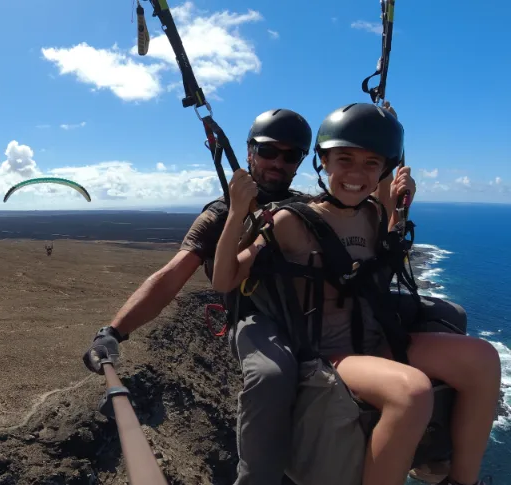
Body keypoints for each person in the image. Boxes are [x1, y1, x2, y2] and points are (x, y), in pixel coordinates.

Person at [82, 108, 468, 485]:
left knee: (447, 315)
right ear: (250, 152)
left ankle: (434, 448)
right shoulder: (220, 214)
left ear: (304, 160)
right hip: (259, 314)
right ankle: (259, 477)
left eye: (290, 155)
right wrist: (115, 331)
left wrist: (384, 131)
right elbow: (171, 277)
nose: (278, 163)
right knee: (272, 373)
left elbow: (370, 218)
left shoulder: (307, 204)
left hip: (318, 305)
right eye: (268, 151)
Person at [211, 102, 501, 485]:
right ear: (324, 163)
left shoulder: (373, 214)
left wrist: (399, 199)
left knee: (483, 358)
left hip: (375, 337)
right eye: (344, 160)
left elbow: (385, 252)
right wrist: (235, 214)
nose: (356, 174)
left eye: (370, 163)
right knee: (410, 392)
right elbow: (225, 279)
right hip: (328, 351)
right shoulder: (288, 221)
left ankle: (462, 480)